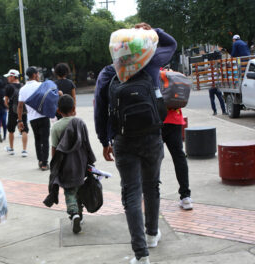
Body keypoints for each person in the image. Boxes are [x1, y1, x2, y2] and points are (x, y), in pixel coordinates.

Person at [94, 23, 176, 264]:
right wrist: (154, 30)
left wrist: (104, 140)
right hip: (152, 137)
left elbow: (100, 110)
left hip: (123, 138)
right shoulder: (150, 63)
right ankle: (152, 234)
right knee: (152, 186)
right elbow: (171, 44)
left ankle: (141, 255)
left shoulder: (108, 73)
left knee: (131, 192)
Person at [50, 95, 95, 234]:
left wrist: (55, 168)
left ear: (58, 110)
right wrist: (90, 161)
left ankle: (74, 214)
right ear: (74, 108)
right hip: (80, 163)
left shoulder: (56, 127)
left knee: (69, 191)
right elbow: (86, 143)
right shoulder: (80, 123)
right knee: (79, 188)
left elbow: (54, 149)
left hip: (65, 165)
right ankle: (79, 215)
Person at [17, 67, 50, 171]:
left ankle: (40, 161)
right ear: (35, 75)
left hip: (32, 119)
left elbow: (20, 106)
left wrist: (20, 120)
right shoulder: (41, 86)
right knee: (45, 140)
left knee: (37, 139)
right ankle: (44, 163)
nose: (39, 75)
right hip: (43, 117)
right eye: (38, 74)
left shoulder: (23, 89)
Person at [162, 109, 192, 210]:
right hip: (174, 119)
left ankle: (149, 192)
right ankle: (185, 196)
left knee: (153, 157)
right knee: (179, 157)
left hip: (155, 119)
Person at [3, 69, 28, 157]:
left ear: (13, 76)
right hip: (23, 110)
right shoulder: (23, 85)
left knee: (11, 130)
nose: (8, 78)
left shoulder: (8, 87)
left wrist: (8, 107)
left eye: (9, 76)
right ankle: (24, 150)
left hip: (12, 111)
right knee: (24, 129)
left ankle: (11, 148)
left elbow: (6, 101)